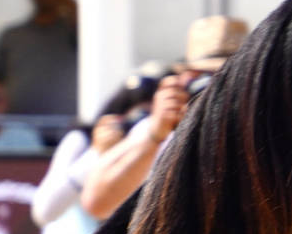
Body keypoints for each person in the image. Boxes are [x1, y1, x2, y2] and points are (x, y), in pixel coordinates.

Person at [80, 15, 248, 219]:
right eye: (203, 75)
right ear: (184, 78)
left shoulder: (261, 129)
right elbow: (97, 204)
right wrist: (155, 136)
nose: (213, 88)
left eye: (226, 75)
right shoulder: (159, 130)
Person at [29, 75, 161, 234]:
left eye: (147, 121)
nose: (138, 128)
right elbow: (44, 212)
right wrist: (97, 153)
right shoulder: (81, 141)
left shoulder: (159, 148)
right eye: (133, 119)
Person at [0, 0, 79, 123]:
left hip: (64, 128)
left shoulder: (73, 32)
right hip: (19, 133)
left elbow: (94, 36)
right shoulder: (11, 36)